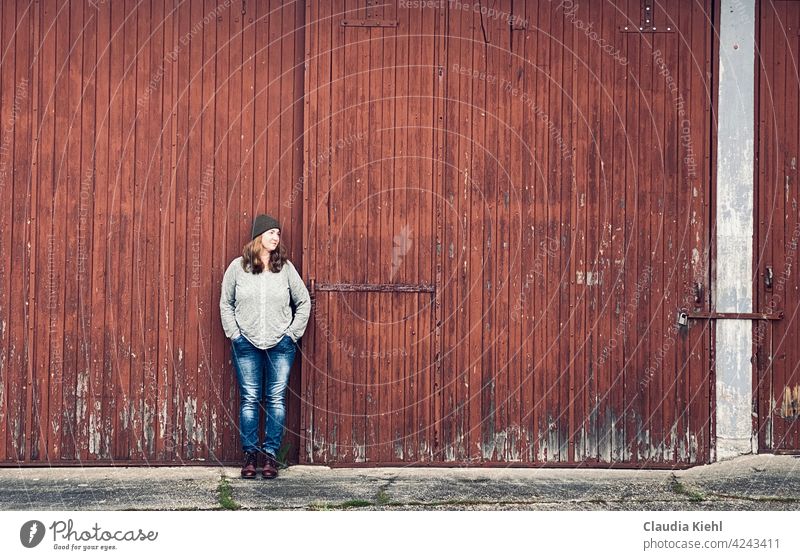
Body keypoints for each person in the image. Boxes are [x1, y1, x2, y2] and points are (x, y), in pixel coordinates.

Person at [219, 214, 311, 479]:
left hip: (280, 344)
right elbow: (226, 303)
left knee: (276, 399)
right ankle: (250, 456)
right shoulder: (238, 268)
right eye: (271, 232)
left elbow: (303, 301)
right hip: (246, 342)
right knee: (249, 399)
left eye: (278, 234)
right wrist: (234, 334)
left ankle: (270, 456)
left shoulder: (286, 269)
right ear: (257, 236)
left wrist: (292, 334)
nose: (276, 237)